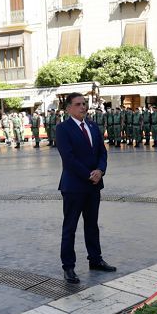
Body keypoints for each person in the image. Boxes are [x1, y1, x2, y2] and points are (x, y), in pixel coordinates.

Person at [55, 92, 115, 284]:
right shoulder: (63, 128)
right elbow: (68, 158)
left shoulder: (92, 126)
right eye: (78, 104)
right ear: (68, 108)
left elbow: (102, 153)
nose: (83, 107)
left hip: (93, 185)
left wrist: (100, 170)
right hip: (74, 186)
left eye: (84, 103)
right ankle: (69, 267)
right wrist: (89, 174)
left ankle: (95, 259)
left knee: (92, 225)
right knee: (70, 227)